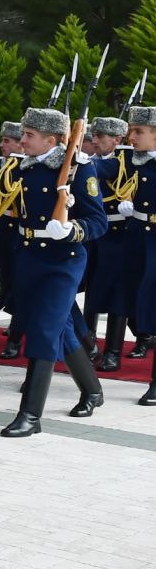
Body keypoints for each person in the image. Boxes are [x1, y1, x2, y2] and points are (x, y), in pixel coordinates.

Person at [0, 107, 108, 436]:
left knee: (44, 331)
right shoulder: (24, 167)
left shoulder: (78, 170)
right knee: (62, 329)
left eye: (29, 135)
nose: (22, 140)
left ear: (52, 140)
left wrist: (72, 230)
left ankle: (30, 415)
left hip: (62, 261)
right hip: (30, 256)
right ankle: (92, 390)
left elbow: (98, 221)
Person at [84, 117, 134, 371]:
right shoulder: (95, 160)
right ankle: (87, 344)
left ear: (117, 140)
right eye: (93, 135)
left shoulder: (125, 161)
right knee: (91, 289)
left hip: (117, 235)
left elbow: (103, 170)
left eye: (100, 136)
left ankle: (113, 351)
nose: (94, 140)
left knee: (117, 295)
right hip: (95, 234)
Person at [120, 106, 156, 404]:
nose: (131, 137)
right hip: (137, 237)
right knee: (135, 299)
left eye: (139, 131)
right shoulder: (133, 162)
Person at [0, 121, 28, 359]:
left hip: (21, 229)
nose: (1, 145)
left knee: (19, 283)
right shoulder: (1, 165)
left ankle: (16, 336)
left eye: (7, 141)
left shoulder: (27, 168)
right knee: (4, 276)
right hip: (3, 225)